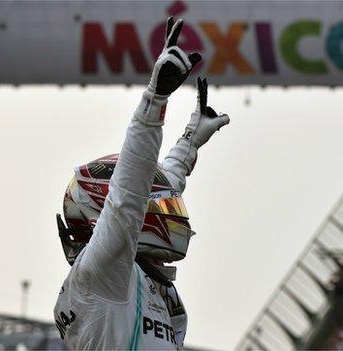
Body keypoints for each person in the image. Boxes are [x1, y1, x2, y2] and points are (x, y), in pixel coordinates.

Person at [53, 17, 230, 350]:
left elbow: (155, 185)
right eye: (160, 206)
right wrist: (154, 100)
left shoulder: (128, 276)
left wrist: (190, 141)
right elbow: (130, 193)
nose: (172, 210)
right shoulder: (102, 272)